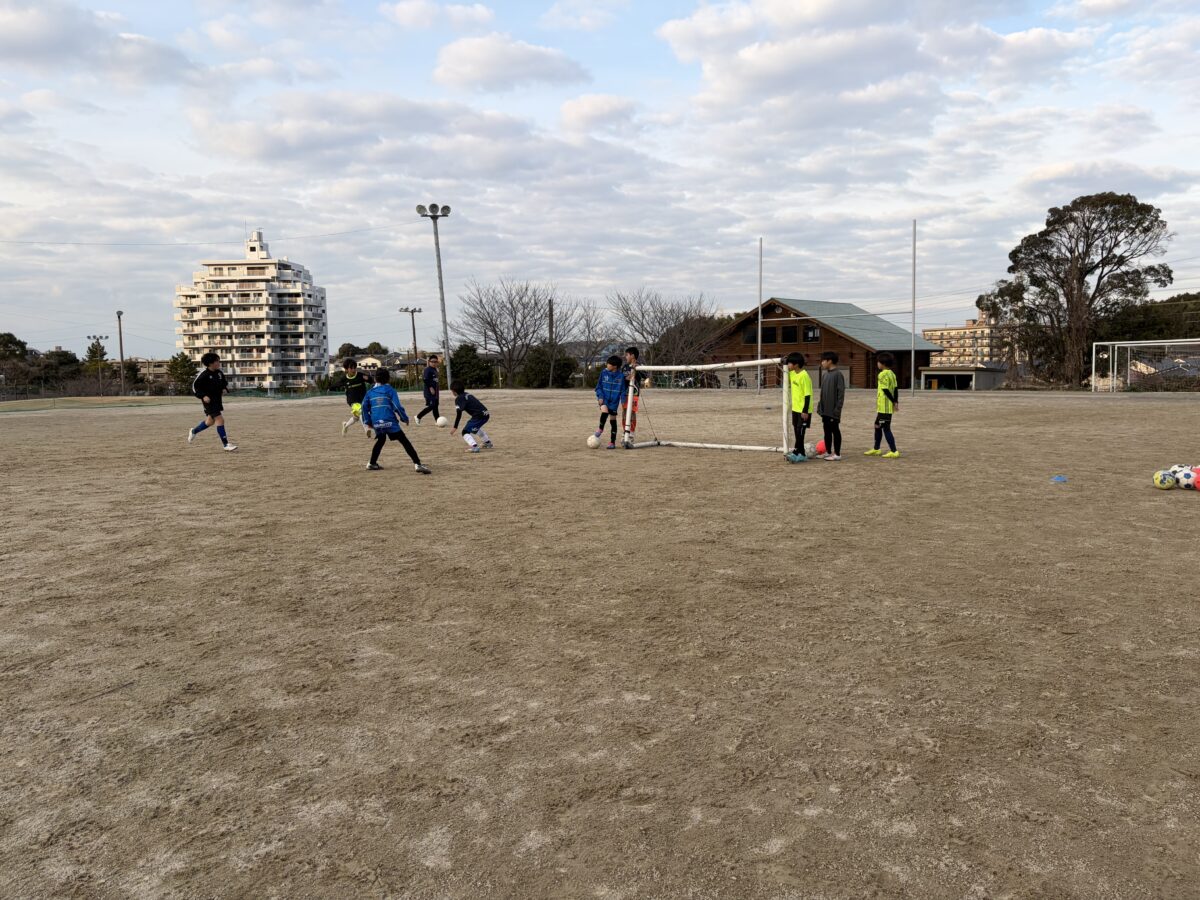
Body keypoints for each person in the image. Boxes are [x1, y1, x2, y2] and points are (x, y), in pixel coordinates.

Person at [362, 368, 431, 474]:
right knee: (404, 441)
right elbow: (397, 406)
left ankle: (372, 463)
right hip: (389, 421)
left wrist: (368, 422)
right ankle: (417, 464)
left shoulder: (370, 392)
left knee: (381, 440)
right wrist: (404, 418)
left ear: (375, 379)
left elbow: (364, 408)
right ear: (388, 379)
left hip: (376, 422)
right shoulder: (390, 390)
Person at [187, 352, 237, 451]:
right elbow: (195, 388)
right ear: (210, 363)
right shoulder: (203, 375)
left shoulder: (219, 373)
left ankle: (194, 431)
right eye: (217, 361)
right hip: (208, 402)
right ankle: (226, 444)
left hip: (217, 400)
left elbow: (223, 382)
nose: (219, 363)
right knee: (220, 419)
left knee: (210, 422)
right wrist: (203, 396)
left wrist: (224, 388)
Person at [865, 352, 900, 458]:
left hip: (885, 407)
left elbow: (885, 390)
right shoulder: (892, 374)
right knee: (877, 426)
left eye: (878, 362)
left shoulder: (882, 374)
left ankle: (894, 451)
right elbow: (895, 389)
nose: (877, 364)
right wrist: (896, 401)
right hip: (883, 407)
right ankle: (876, 449)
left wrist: (893, 401)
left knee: (886, 428)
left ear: (883, 363)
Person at [817, 351, 845, 461]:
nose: (822, 363)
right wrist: (820, 406)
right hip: (825, 410)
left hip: (833, 411)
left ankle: (837, 454)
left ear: (830, 361)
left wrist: (837, 409)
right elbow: (822, 393)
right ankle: (828, 452)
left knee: (835, 430)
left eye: (823, 360)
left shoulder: (838, 374)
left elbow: (841, 394)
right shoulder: (825, 375)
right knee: (826, 431)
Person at [450, 381, 493, 453]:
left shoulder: (458, 399)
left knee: (465, 432)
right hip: (486, 413)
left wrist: (455, 426)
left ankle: (474, 447)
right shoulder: (467, 394)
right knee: (475, 428)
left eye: (451, 391)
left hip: (478, 416)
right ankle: (487, 443)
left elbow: (459, 413)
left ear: (454, 391)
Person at [785, 352, 812, 463]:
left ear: (796, 364)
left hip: (803, 410)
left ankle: (797, 452)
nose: (788, 365)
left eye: (789, 363)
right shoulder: (792, 373)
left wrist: (805, 411)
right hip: (795, 409)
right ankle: (802, 454)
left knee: (800, 432)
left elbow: (807, 395)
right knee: (797, 431)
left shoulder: (804, 375)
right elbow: (785, 373)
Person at [593, 355, 625, 449]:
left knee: (613, 420)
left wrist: (623, 401)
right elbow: (598, 387)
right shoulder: (603, 373)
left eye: (609, 364)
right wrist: (600, 397)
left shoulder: (621, 376)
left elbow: (623, 390)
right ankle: (600, 429)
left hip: (614, 402)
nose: (607, 365)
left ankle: (612, 442)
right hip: (604, 398)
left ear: (615, 366)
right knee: (604, 411)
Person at [339, 358, 370, 437]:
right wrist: (330, 388)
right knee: (361, 411)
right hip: (352, 401)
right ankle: (366, 428)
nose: (353, 370)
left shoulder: (360, 375)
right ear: (346, 369)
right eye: (351, 368)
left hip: (362, 399)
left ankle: (345, 425)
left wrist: (369, 379)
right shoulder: (344, 379)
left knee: (356, 417)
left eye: (355, 368)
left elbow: (371, 380)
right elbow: (336, 384)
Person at [619, 346, 642, 449]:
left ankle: (631, 433)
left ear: (632, 355)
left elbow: (645, 375)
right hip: (625, 393)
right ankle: (625, 432)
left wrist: (636, 369)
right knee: (624, 412)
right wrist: (626, 378)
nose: (625, 357)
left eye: (627, 355)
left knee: (632, 412)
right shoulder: (625, 367)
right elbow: (622, 378)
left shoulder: (639, 366)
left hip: (634, 394)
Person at [415, 354, 441, 425]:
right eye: (432, 361)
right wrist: (431, 387)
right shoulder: (427, 370)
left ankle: (437, 421)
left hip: (435, 392)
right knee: (431, 406)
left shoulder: (435, 370)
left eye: (435, 362)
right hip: (429, 392)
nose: (434, 363)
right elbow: (425, 379)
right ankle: (418, 416)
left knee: (435, 406)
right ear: (429, 362)